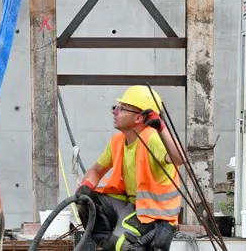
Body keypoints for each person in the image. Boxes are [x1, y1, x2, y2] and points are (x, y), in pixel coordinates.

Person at [74, 86, 186, 251]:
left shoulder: (153, 139)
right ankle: (107, 245)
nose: (115, 111)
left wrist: (161, 127)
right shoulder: (118, 141)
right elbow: (96, 171)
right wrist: (86, 186)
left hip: (155, 218)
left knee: (123, 245)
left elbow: (179, 158)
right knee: (86, 201)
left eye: (122, 108)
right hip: (131, 207)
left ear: (139, 118)